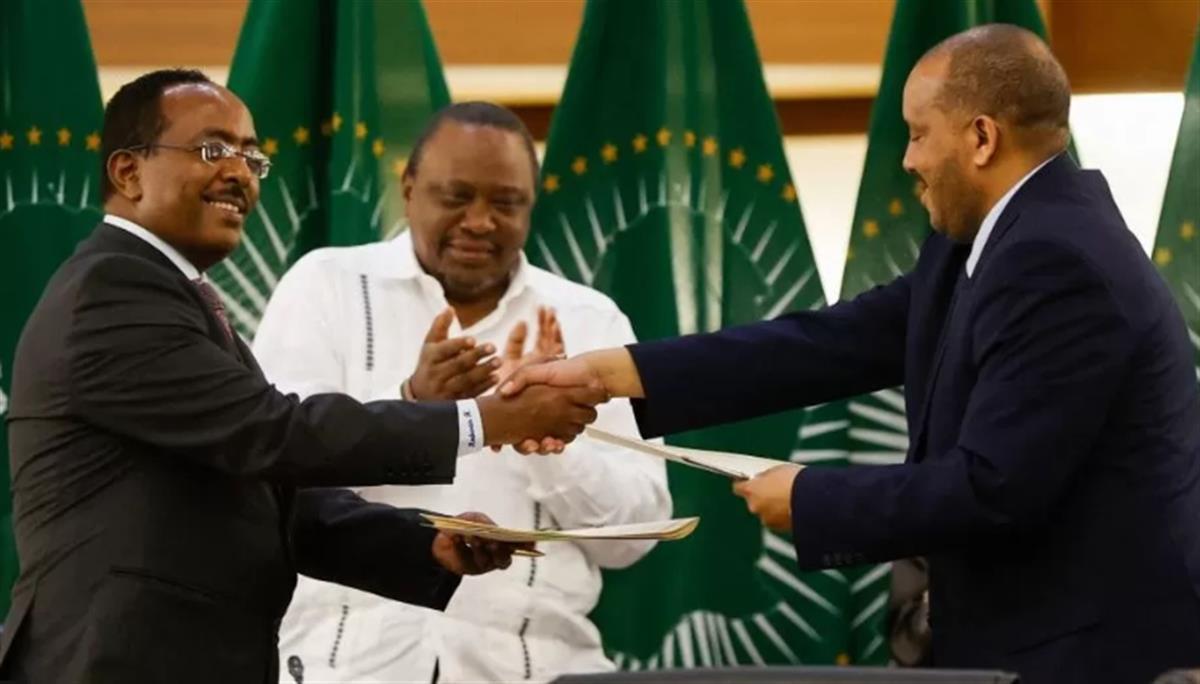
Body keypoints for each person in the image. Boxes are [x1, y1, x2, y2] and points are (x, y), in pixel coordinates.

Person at [502, 25, 1200, 683]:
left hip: (1086, 658)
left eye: (918, 134)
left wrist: (812, 500)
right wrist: (613, 373)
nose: (908, 160)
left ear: (982, 138)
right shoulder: (988, 243)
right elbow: (832, 343)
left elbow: (995, 489)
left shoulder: (1056, 260)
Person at [0, 70, 606, 684]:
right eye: (212, 150)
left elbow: (262, 488)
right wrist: (483, 420)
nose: (239, 173)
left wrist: (426, 542)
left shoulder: (176, 296)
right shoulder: (112, 289)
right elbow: (276, 434)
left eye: (251, 157)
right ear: (128, 172)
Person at [254, 102, 671, 684]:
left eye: (506, 203)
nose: (480, 222)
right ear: (408, 189)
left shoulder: (589, 319)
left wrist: (549, 438)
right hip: (347, 667)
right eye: (456, 197)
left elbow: (637, 536)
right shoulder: (325, 285)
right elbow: (270, 480)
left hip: (533, 669)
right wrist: (408, 404)